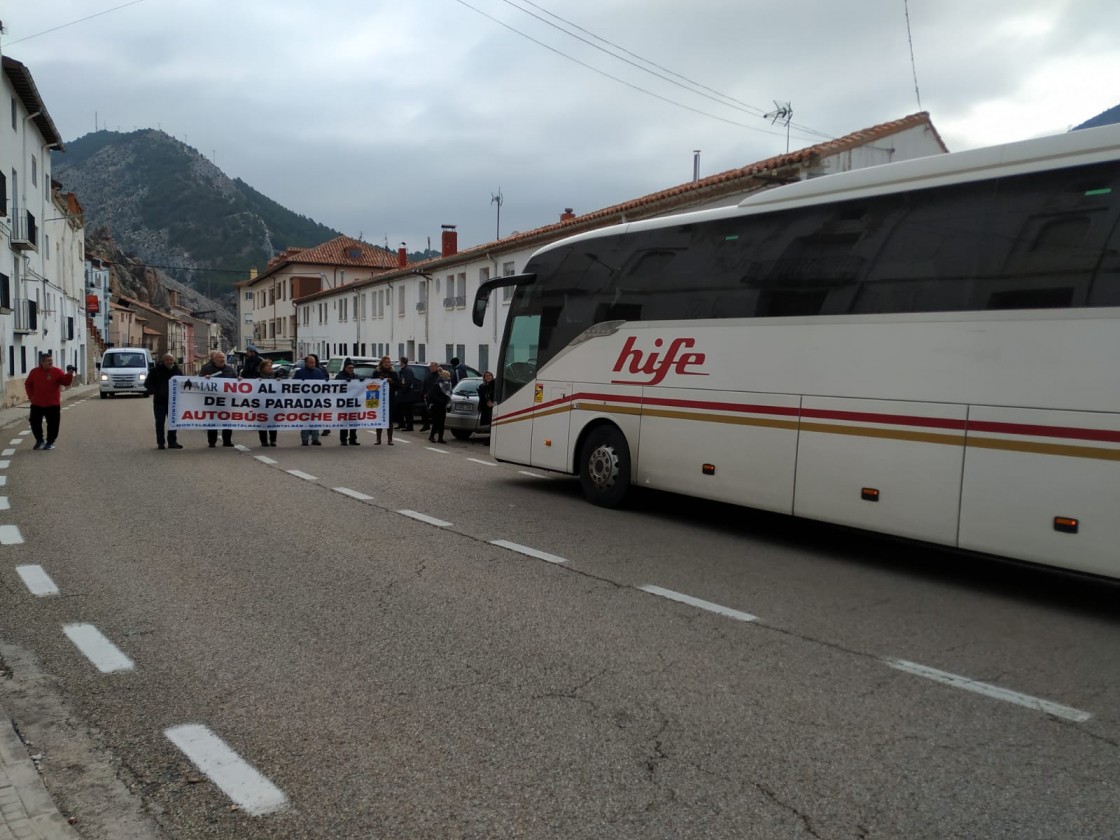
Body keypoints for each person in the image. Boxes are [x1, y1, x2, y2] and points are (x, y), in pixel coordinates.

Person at [25, 352, 75, 450]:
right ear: (42, 362)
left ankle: (50, 442)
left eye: (51, 360)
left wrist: (69, 375)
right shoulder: (34, 372)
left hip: (53, 404)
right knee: (34, 422)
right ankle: (39, 440)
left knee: (53, 424)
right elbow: (28, 384)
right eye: (48, 361)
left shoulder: (57, 372)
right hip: (37, 403)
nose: (51, 362)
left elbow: (65, 382)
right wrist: (31, 396)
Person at [145, 352, 184, 450]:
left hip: (173, 402)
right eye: (167, 360)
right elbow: (147, 383)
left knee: (173, 422)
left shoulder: (177, 371)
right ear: (163, 361)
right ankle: (160, 442)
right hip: (159, 401)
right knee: (160, 422)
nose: (169, 362)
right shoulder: (155, 370)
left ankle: (172, 442)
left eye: (171, 360)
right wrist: (156, 391)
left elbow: (184, 383)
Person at [200, 350, 237, 447]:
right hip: (212, 400)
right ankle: (212, 442)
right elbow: (199, 382)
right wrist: (204, 378)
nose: (222, 359)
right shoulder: (207, 369)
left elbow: (236, 380)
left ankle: (227, 441)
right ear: (214, 359)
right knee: (212, 421)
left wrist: (239, 379)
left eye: (223, 358)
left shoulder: (229, 369)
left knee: (227, 421)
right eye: (220, 358)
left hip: (226, 400)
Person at [293, 353, 328, 446]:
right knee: (305, 420)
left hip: (316, 400)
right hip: (304, 401)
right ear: (306, 363)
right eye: (311, 362)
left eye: (314, 362)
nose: (313, 364)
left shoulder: (318, 372)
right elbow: (293, 385)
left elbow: (324, 384)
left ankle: (315, 438)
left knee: (315, 420)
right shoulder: (300, 372)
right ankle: (305, 439)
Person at [248, 357, 279, 448]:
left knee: (273, 423)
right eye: (267, 366)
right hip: (261, 404)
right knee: (262, 422)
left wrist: (279, 381)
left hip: (273, 404)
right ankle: (264, 441)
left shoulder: (276, 375)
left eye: (270, 366)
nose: (270, 368)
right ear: (262, 368)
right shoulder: (257, 376)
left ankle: (273, 440)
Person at [334, 358, 362, 446]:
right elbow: (335, 387)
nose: (351, 369)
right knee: (345, 422)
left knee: (354, 422)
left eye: (352, 368)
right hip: (344, 403)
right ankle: (343, 439)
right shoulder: (339, 376)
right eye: (349, 368)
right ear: (345, 368)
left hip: (354, 403)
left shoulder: (356, 376)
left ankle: (353, 439)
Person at [374, 355, 399, 445]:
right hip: (379, 398)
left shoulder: (393, 373)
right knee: (379, 418)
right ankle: (378, 439)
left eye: (388, 362)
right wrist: (378, 380)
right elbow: (371, 383)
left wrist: (391, 381)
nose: (387, 364)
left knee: (389, 419)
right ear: (382, 363)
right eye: (385, 362)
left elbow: (398, 385)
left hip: (390, 398)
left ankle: (390, 439)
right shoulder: (377, 372)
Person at [426, 368, 453, 444]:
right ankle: (432, 436)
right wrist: (441, 401)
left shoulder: (448, 385)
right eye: (448, 376)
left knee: (442, 422)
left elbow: (449, 395)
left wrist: (448, 403)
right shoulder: (437, 384)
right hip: (436, 406)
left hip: (443, 406)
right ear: (444, 376)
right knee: (436, 422)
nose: (449, 378)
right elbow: (433, 395)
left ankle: (440, 438)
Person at [396, 356, 417, 431]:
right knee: (400, 410)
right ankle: (401, 424)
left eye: (400, 361)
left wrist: (402, 389)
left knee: (408, 411)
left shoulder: (407, 370)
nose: (399, 363)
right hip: (402, 394)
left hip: (407, 395)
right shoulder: (402, 370)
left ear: (402, 362)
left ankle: (409, 426)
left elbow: (408, 382)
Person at [419, 361, 440, 432]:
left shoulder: (439, 375)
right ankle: (426, 425)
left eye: (433, 367)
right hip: (427, 396)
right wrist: (423, 393)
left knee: (435, 413)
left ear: (437, 367)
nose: (431, 368)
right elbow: (424, 385)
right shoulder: (428, 375)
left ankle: (436, 428)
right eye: (430, 367)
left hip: (435, 397)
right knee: (424, 411)